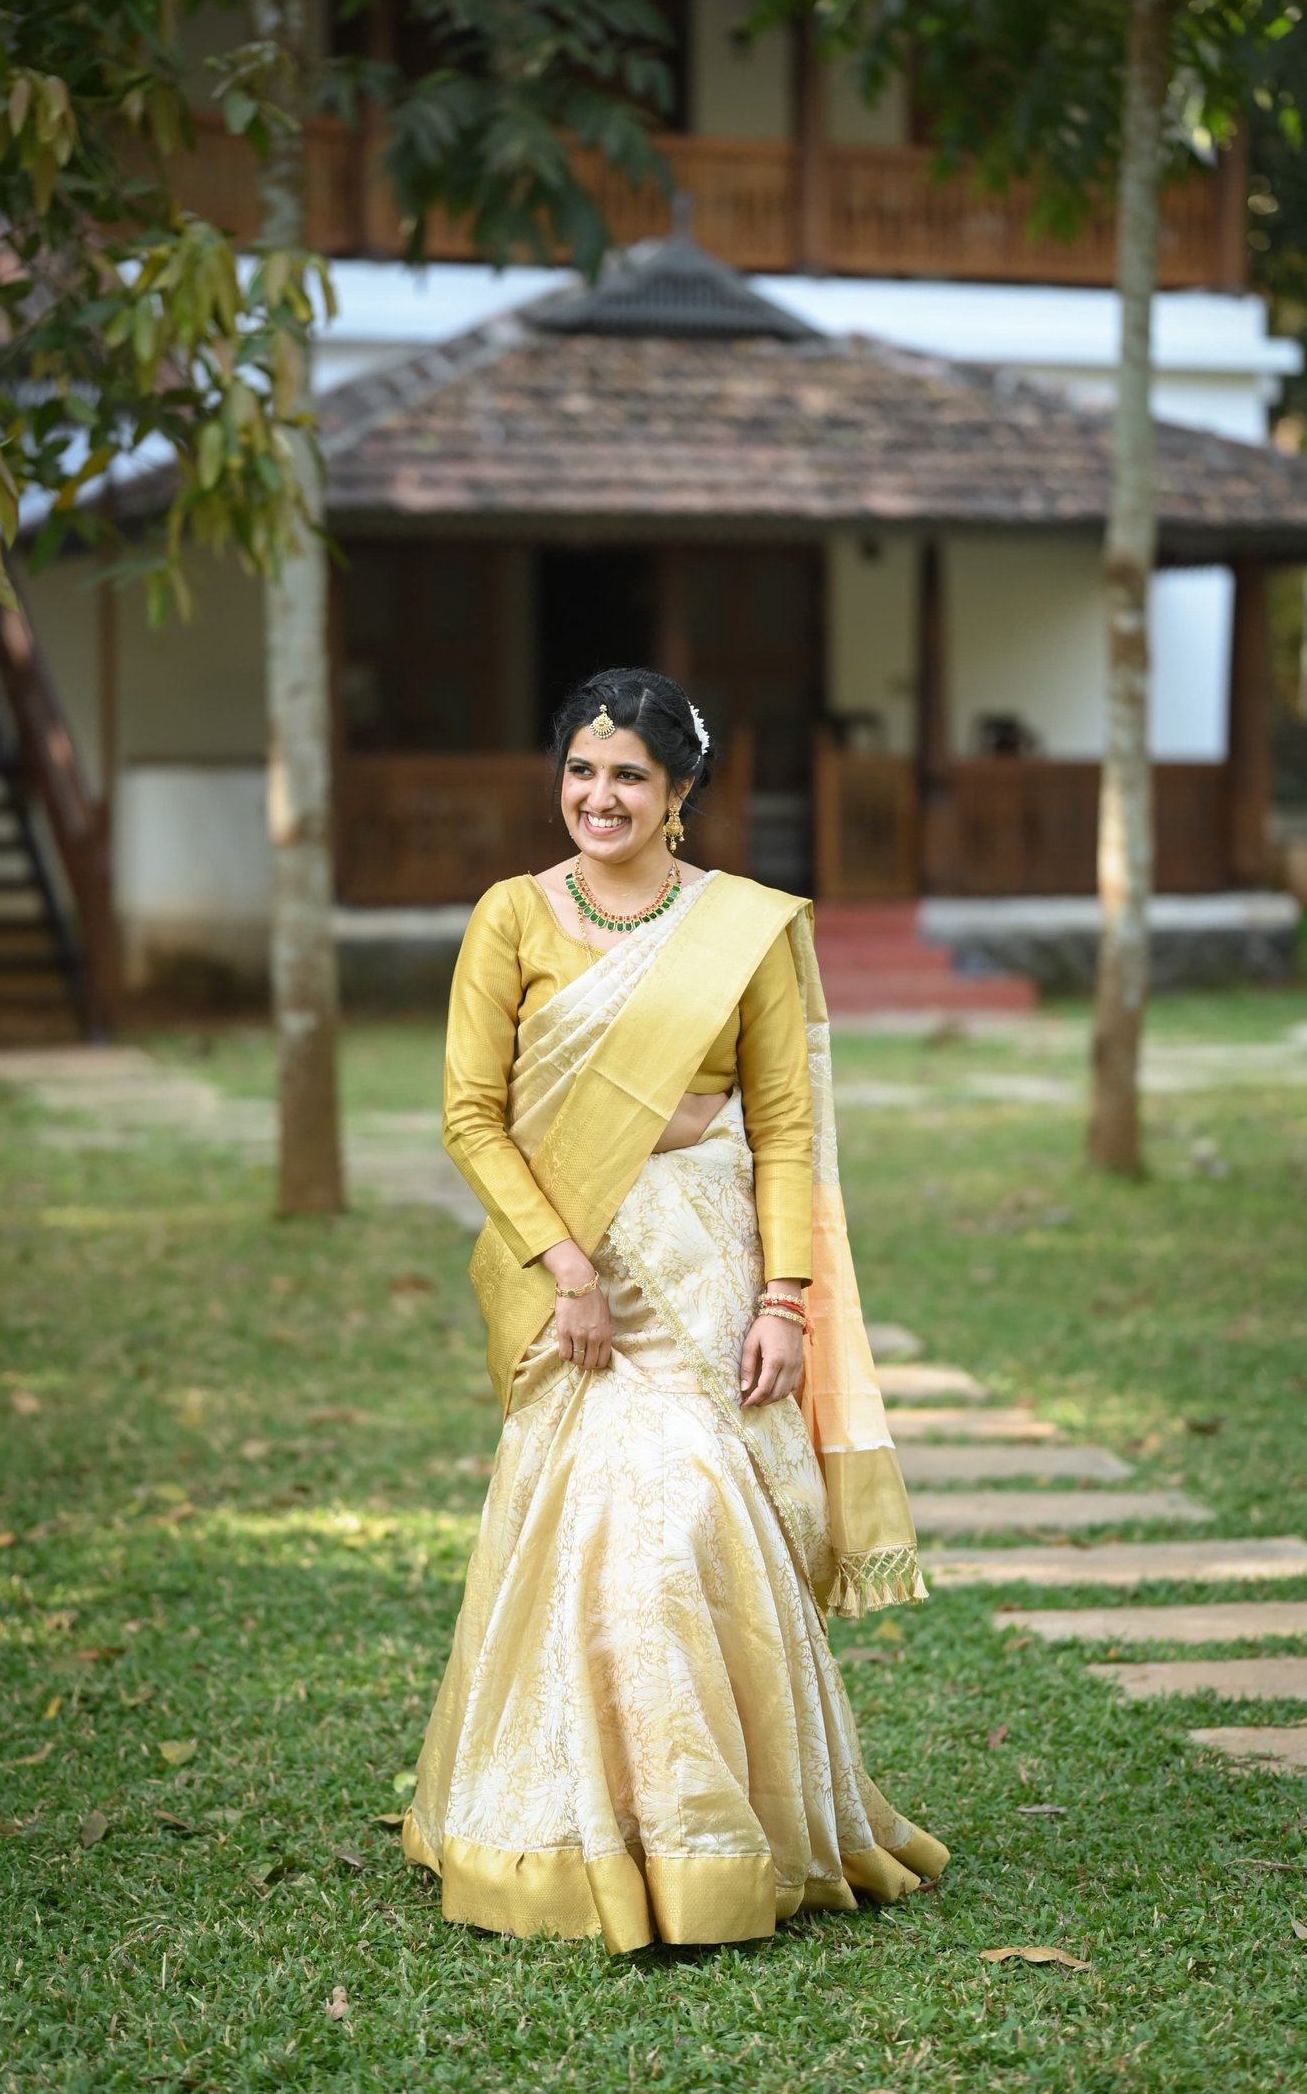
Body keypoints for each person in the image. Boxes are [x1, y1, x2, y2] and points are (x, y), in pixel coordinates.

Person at [402, 667, 948, 1953]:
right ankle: (570, 1831)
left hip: (709, 1269)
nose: (599, 797)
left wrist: (784, 1300)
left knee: (692, 1525)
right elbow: (470, 1116)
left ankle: (714, 1837)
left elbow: (784, 1125)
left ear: (679, 790)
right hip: (573, 1265)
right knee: (595, 1529)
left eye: (629, 776)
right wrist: (566, 1270)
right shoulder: (511, 917)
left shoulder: (739, 927)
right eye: (580, 771)